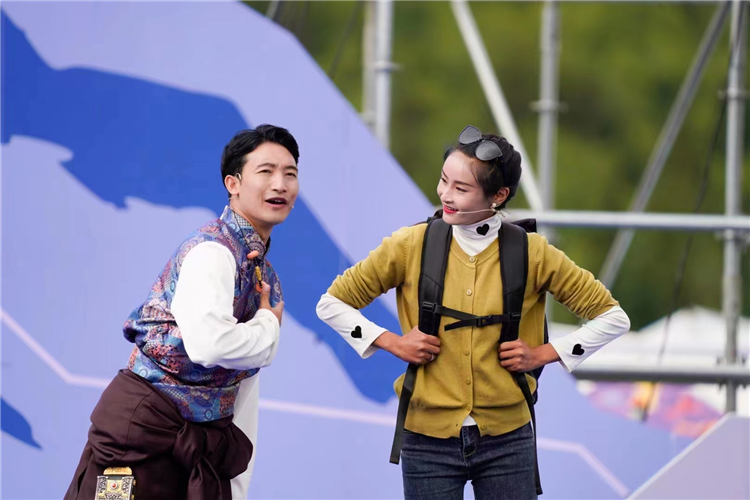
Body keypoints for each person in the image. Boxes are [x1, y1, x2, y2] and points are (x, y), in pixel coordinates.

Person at [316, 125, 630, 499]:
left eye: (461, 189)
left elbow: (613, 317)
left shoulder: (533, 252)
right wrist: (392, 343)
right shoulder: (409, 244)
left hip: (508, 440)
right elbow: (331, 304)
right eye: (443, 180)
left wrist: (544, 353)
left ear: (498, 195)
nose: (445, 195)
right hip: (426, 439)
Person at [65, 124, 299, 500]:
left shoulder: (261, 272)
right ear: (233, 183)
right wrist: (267, 327)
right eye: (266, 171)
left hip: (197, 448)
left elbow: (241, 382)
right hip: (139, 440)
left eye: (290, 174)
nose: (280, 184)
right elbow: (211, 346)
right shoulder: (212, 251)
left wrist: (237, 483)